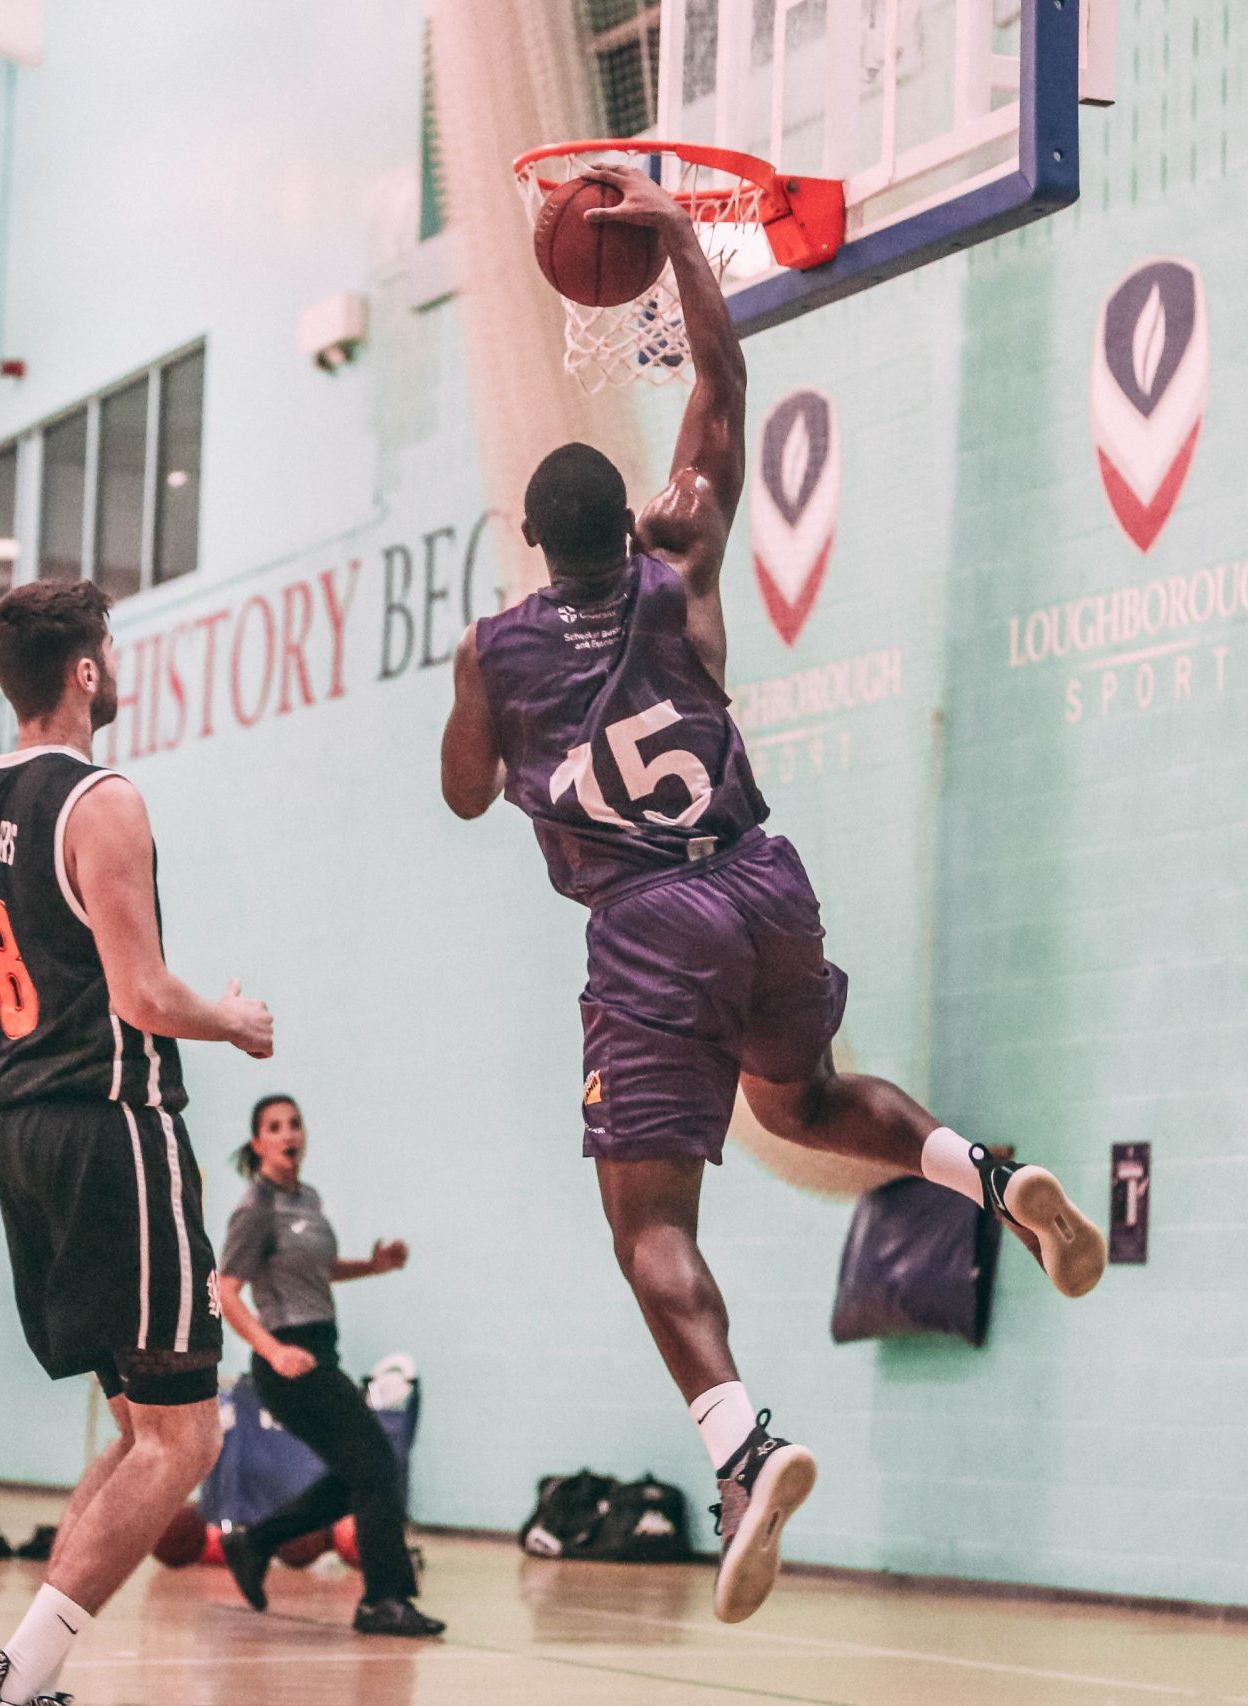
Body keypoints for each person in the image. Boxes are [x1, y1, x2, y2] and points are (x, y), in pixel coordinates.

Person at [437, 163, 1107, 1625]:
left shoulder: (501, 646)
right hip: (762, 879)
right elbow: (722, 386)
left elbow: (466, 791)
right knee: (802, 1101)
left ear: (541, 548)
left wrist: (482, 678)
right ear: (627, 522)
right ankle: (989, 1177)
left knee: (650, 1225)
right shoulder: (682, 554)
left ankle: (742, 1444)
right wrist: (677, 236)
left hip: (648, 925)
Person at [0, 577, 274, 1706]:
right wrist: (234, 1020)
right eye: (110, 649)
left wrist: (25, 1076)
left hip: (17, 1131)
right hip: (112, 1128)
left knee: (138, 1432)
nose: (115, 666)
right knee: (185, 1440)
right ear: (83, 670)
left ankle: (18, 1671)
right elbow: (143, 993)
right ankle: (10, 1679)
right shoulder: (102, 799)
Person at [214, 1094, 438, 1638]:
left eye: (295, 1123)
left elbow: (315, 1270)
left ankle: (255, 1541)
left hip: (321, 1349)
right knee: (376, 1465)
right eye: (275, 1126)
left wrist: (374, 1266)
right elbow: (225, 1290)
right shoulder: (255, 1208)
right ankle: (383, 1600)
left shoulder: (307, 1199)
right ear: (257, 1143)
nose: (289, 1133)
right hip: (289, 1360)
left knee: (358, 1473)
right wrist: (271, 1351)